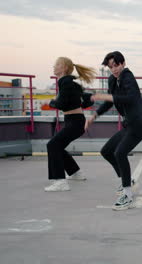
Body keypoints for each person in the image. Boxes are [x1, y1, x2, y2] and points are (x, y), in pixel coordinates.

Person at [85, 51, 142, 210]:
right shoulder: (112, 79)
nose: (114, 69)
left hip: (139, 123)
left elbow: (130, 98)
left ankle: (127, 195)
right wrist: (94, 115)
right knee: (107, 151)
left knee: (120, 153)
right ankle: (128, 181)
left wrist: (107, 97)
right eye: (111, 66)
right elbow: (109, 101)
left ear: (123, 63)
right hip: (129, 123)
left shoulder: (128, 76)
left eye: (116, 65)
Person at [45, 57, 95, 192]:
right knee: (58, 146)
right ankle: (75, 173)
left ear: (64, 68)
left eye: (57, 65)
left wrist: (52, 102)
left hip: (75, 121)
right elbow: (88, 99)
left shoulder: (65, 82)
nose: (54, 67)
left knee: (53, 145)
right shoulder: (70, 83)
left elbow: (61, 104)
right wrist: (79, 104)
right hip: (75, 121)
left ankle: (60, 181)